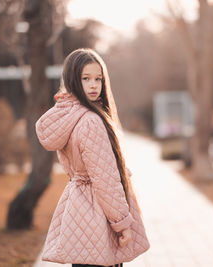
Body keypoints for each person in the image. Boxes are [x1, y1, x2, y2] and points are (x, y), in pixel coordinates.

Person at [35, 48, 150, 267]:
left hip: (78, 210)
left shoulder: (70, 116)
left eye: (98, 78)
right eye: (85, 78)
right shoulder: (91, 121)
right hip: (99, 214)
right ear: (72, 80)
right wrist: (121, 223)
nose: (94, 85)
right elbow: (105, 180)